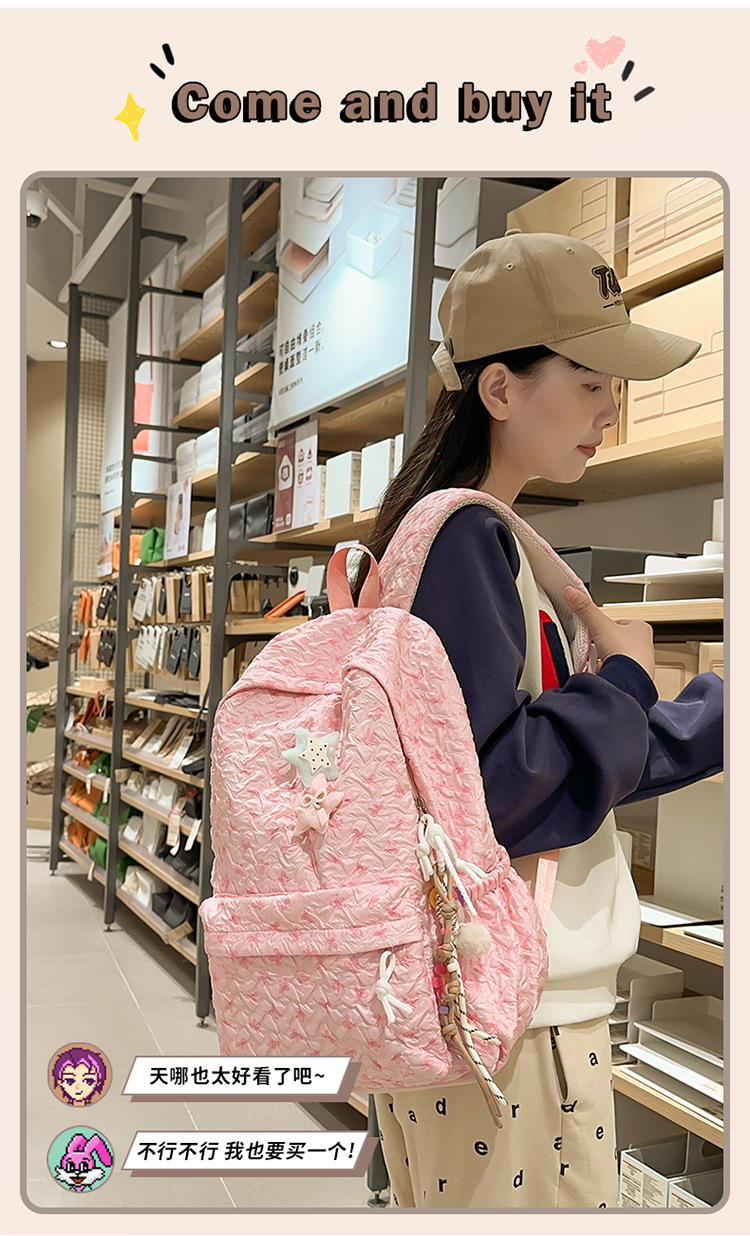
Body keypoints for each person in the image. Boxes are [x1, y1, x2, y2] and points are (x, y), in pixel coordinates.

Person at [355, 230, 724, 1208]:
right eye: (590, 379)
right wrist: (629, 679)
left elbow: (554, 764)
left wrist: (698, 713)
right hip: (516, 1019)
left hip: (480, 999)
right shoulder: (467, 541)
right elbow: (501, 787)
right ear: (500, 388)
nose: (611, 408)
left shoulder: (455, 536)